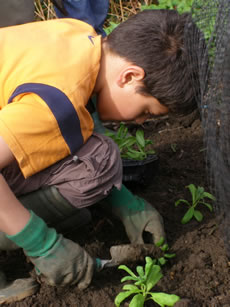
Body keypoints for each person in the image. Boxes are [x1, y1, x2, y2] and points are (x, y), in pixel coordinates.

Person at [0, 4, 199, 304]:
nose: (141, 122)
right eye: (146, 111)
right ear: (130, 76)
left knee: (98, 159)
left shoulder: (83, 38)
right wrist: (41, 244)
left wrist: (124, 202)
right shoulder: (56, 103)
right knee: (97, 163)